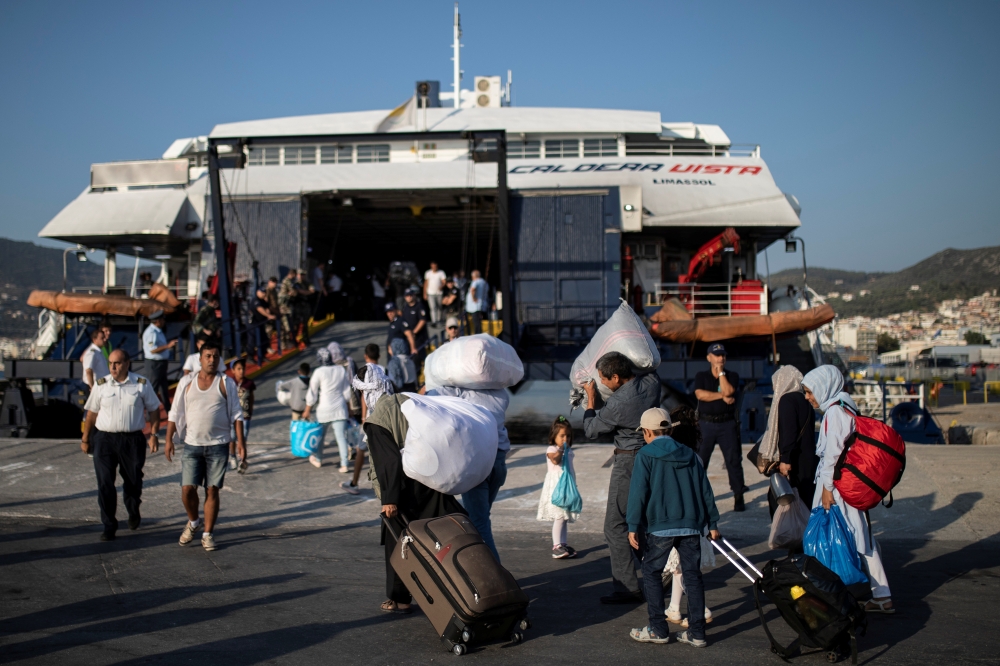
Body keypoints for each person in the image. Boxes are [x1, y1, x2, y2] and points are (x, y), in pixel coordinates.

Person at [802, 365, 894, 614]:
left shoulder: (834, 413)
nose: (808, 397)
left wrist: (827, 488)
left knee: (840, 537)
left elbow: (832, 453)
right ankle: (881, 594)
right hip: (847, 483)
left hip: (837, 486)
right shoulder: (846, 406)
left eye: (810, 392)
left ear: (823, 387)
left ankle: (833, 595)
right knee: (861, 536)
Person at [627, 407, 721, 648]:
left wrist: (633, 525)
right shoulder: (689, 454)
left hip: (661, 525)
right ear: (668, 429)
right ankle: (697, 633)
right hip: (690, 525)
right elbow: (705, 490)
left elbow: (638, 493)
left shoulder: (646, 455)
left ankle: (658, 629)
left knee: (651, 572)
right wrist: (712, 522)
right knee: (692, 576)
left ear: (648, 432)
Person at [365, 393, 466, 614]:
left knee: (399, 543)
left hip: (403, 489)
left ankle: (399, 599)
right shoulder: (409, 401)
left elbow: (388, 460)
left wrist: (389, 499)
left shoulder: (377, 419)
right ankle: (466, 584)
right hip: (430, 477)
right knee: (448, 531)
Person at [583, 351, 662, 604]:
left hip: (628, 461)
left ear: (616, 378)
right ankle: (659, 574)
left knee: (616, 526)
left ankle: (627, 588)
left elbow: (591, 430)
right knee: (641, 522)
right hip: (652, 456)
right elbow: (649, 365)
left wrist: (591, 400)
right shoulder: (652, 384)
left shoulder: (617, 404)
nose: (603, 382)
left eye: (604, 379)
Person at [164, 341, 245, 552]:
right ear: (199, 359)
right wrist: (168, 439)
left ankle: (208, 534)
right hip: (192, 445)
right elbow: (175, 412)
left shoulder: (226, 383)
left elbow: (237, 415)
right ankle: (193, 522)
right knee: (187, 490)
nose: (212, 360)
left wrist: (241, 445)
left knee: (212, 490)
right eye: (208, 356)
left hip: (218, 445)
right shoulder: (186, 382)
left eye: (215, 356)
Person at [81, 349, 162, 541]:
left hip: (132, 440)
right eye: (110, 363)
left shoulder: (141, 384)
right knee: (105, 483)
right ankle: (109, 525)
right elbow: (91, 413)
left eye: (117, 363)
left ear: (127, 363)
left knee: (133, 481)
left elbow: (154, 410)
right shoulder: (101, 385)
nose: (113, 367)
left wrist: (154, 434)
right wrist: (85, 439)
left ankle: (133, 510)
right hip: (105, 439)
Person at [426, 383, 511, 562]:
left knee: (478, 523)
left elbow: (431, 396)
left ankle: (495, 575)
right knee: (479, 519)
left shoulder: (460, 390)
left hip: (478, 463)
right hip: (499, 463)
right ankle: (474, 565)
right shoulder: (502, 393)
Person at [662, 406, 716, 629]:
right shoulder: (696, 458)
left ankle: (702, 610)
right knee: (681, 567)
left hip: (678, 521)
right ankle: (674, 608)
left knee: (684, 567)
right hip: (696, 519)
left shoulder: (670, 459)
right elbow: (704, 493)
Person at [694, 343, 746, 512]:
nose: (720, 358)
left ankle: (738, 495)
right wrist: (721, 396)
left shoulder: (732, 375)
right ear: (709, 357)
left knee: (733, 461)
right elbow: (700, 395)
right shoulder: (701, 375)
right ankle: (696, 496)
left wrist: (721, 373)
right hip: (706, 424)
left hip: (727, 424)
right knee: (700, 461)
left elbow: (729, 391)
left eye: (723, 355)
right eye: (717, 355)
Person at [766, 366, 817, 517]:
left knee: (779, 497)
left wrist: (785, 459)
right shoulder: (805, 398)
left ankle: (789, 535)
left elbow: (789, 431)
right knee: (806, 500)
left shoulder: (787, 399)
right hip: (808, 459)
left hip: (794, 460)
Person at [343, 345, 393, 495]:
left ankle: (354, 483)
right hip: (386, 414)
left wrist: (364, 418)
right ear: (379, 355)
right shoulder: (384, 369)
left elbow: (365, 397)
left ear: (365, 356)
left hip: (371, 416)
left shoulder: (367, 371)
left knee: (360, 450)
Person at [303, 348, 354, 471]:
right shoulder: (341, 369)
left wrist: (307, 409)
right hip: (340, 408)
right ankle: (344, 464)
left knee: (320, 436)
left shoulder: (319, 372)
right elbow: (347, 392)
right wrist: (349, 408)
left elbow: (312, 393)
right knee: (341, 437)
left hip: (324, 410)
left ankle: (319, 459)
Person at [536, 416, 578, 560]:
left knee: (564, 517)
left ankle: (563, 543)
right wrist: (561, 450)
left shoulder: (569, 450)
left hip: (567, 487)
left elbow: (571, 469)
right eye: (562, 436)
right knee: (559, 517)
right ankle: (556, 546)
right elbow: (555, 459)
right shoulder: (552, 449)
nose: (565, 438)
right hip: (556, 489)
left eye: (567, 435)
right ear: (554, 436)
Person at [142, 310, 176, 409]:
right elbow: (152, 350)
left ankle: (169, 411)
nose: (164, 321)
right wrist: (168, 346)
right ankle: (149, 413)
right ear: (157, 321)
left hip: (160, 364)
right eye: (162, 319)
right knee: (153, 389)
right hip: (154, 364)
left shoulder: (157, 331)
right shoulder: (151, 332)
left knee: (164, 389)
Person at [230, 358, 255, 473]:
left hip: (245, 416)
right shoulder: (229, 383)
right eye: (238, 369)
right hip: (231, 417)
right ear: (233, 370)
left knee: (243, 439)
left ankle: (242, 460)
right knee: (232, 438)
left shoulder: (249, 383)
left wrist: (250, 411)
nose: (241, 371)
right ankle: (232, 456)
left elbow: (251, 398)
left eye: (243, 369)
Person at [400, 286, 429, 366]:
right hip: (409, 338)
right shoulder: (405, 307)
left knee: (420, 358)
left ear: (414, 295)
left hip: (419, 338)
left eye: (410, 295)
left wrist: (413, 332)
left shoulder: (419, 306)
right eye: (407, 295)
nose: (409, 297)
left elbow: (422, 320)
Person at [278, 271, 298, 350]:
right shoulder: (287, 281)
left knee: (285, 326)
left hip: (285, 306)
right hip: (284, 307)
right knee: (286, 327)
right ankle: (284, 344)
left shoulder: (287, 281)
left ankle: (285, 343)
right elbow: (294, 293)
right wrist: (292, 293)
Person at [423, 261, 447, 325]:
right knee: (433, 307)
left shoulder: (441, 272)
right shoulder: (428, 273)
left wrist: (441, 286)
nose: (434, 267)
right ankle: (434, 321)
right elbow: (426, 283)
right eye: (433, 266)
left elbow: (444, 281)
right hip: (430, 293)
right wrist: (424, 293)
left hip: (439, 293)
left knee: (439, 307)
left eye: (435, 266)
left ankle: (439, 320)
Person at [465, 269, 488, 335]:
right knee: (480, 322)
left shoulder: (475, 282)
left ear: (473, 276)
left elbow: (473, 289)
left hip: (474, 306)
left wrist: (474, 298)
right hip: (481, 305)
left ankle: (476, 335)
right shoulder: (484, 282)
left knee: (476, 323)